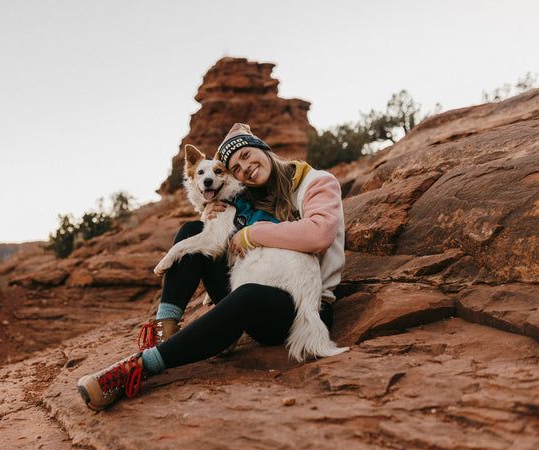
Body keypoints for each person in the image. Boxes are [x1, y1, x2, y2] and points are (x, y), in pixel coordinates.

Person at [77, 123, 345, 411]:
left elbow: (319, 235)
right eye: (236, 168)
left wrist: (251, 233)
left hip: (299, 306)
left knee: (247, 295)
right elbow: (221, 235)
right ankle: (163, 331)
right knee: (192, 231)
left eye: (246, 154)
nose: (245, 168)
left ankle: (140, 368)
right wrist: (210, 214)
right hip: (257, 279)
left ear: (263, 148)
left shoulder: (316, 182)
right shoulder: (250, 192)